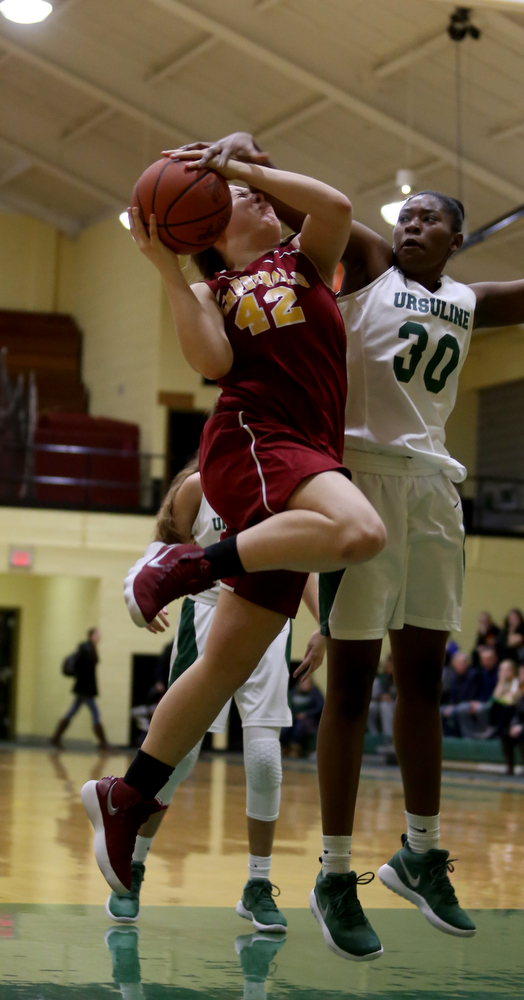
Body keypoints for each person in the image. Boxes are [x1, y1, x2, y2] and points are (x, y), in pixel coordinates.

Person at [167, 131, 524, 961]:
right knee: (350, 685)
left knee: (419, 680)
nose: (410, 225)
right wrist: (249, 152)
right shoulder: (370, 268)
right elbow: (322, 206)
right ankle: (335, 873)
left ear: (457, 238)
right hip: (357, 479)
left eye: (428, 220)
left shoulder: (467, 299)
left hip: (434, 494)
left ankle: (419, 852)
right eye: (405, 216)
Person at [81, 151, 387, 909]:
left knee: (221, 663)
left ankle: (129, 794)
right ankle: (187, 568)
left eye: (261, 192)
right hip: (255, 437)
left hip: (305, 447)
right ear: (214, 227)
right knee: (359, 532)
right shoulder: (212, 287)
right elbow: (214, 360)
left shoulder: (304, 260)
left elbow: (338, 204)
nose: (261, 199)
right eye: (246, 195)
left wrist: (236, 162)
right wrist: (166, 266)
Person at [106, 459, 325, 928]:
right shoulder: (196, 488)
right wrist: (142, 595)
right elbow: (163, 552)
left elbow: (304, 563)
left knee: (266, 759)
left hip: (267, 614)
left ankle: (258, 884)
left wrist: (326, 623)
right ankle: (134, 865)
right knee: (178, 758)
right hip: (206, 615)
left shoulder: (284, 483)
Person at [51, 629, 108, 750]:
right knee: (95, 713)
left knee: (72, 712)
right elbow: (80, 669)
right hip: (85, 689)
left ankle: (55, 738)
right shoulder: (85, 650)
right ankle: (104, 743)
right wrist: (87, 686)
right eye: (97, 634)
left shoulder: (91, 649)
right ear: (91, 636)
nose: (99, 636)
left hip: (85, 689)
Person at [283, 674, 325, 757]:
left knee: (300, 726)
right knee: (286, 726)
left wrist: (306, 714)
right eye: (303, 682)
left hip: (310, 719)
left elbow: (320, 707)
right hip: (294, 718)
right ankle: (284, 747)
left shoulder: (315, 693)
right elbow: (287, 705)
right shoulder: (293, 692)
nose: (305, 684)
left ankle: (295, 748)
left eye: (307, 682)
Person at [367, 654, 396, 736]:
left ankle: (389, 737)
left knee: (385, 706)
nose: (387, 667)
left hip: (395, 704)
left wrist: (392, 698)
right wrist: (382, 696)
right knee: (370, 706)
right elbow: (382, 692)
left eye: (389, 665)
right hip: (385, 703)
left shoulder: (403, 678)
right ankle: (374, 735)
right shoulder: (387, 677)